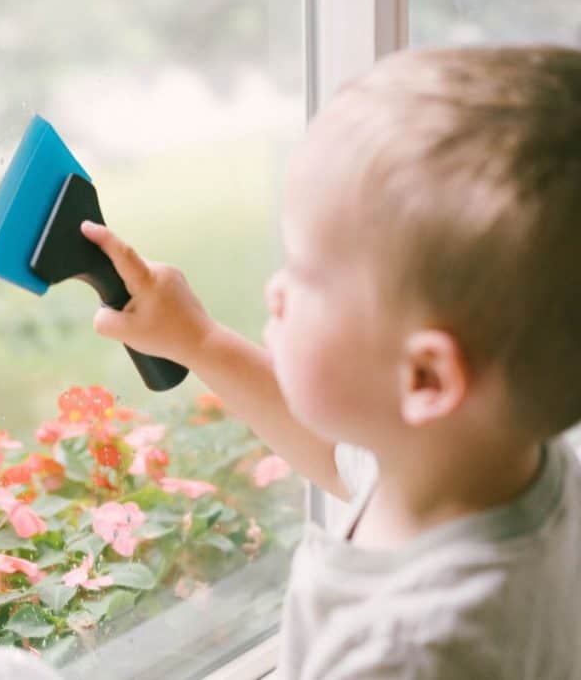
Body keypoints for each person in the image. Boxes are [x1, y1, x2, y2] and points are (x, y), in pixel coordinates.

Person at [80, 44, 581, 679]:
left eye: (304, 273)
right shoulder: (497, 464)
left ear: (426, 379)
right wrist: (197, 340)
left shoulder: (410, 653)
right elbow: (338, 454)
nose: (275, 289)